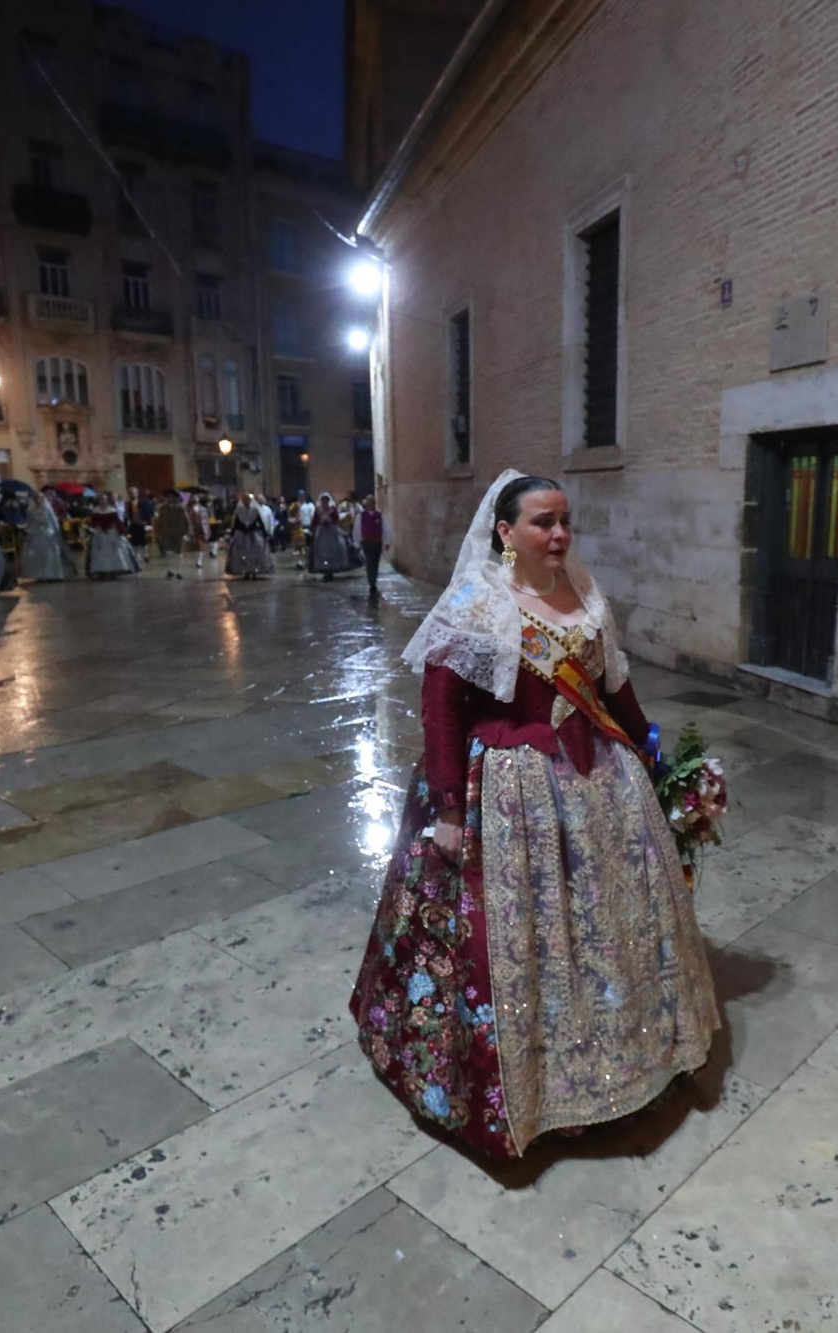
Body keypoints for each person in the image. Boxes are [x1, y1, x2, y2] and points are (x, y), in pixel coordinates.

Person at [349, 471, 716, 1158]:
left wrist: (657, 760)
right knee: (517, 933)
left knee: (605, 925)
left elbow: (617, 688)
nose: (559, 533)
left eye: (565, 520)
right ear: (504, 531)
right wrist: (451, 807)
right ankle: (523, 1084)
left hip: (596, 779)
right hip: (508, 790)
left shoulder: (582, 593)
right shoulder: (475, 602)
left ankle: (625, 1053)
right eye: (544, 521)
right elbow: (441, 709)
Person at [20, 487, 76, 581]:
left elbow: (53, 520)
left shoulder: (47, 508)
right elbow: (29, 522)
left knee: (51, 554)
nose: (38, 499)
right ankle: (41, 575)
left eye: (39, 497)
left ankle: (54, 575)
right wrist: (27, 529)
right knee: (38, 555)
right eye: (36, 497)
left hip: (48, 532)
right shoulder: (30, 509)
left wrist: (56, 532)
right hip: (36, 532)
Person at [86, 495, 141, 578]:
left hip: (111, 533)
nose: (103, 501)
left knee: (114, 552)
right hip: (99, 534)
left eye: (104, 499)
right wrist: (94, 528)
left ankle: (114, 571)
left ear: (107, 501)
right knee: (98, 552)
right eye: (101, 499)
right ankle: (101, 571)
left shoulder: (112, 510)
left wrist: (119, 531)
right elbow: (93, 523)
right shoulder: (95, 510)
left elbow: (117, 522)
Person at [225, 491, 274, 579]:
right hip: (241, 534)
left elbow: (260, 522)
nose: (246, 501)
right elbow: (235, 523)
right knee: (242, 554)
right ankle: (245, 572)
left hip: (253, 534)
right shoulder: (239, 510)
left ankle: (254, 571)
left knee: (254, 553)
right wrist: (231, 534)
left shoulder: (255, 510)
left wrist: (265, 533)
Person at [151, 489, 191, 578]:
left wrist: (186, 532)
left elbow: (186, 521)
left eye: (172, 497)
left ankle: (178, 571)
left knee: (178, 553)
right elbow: (158, 521)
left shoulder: (181, 508)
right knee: (169, 553)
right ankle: (170, 570)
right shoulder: (162, 508)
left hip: (178, 533)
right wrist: (159, 532)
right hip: (166, 533)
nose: (170, 499)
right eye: (168, 497)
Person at [308, 491, 349, 580]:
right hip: (322, 532)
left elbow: (337, 519)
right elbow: (315, 520)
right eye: (323, 500)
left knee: (332, 550)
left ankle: (331, 569)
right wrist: (313, 528)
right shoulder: (318, 510)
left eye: (326, 500)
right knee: (322, 550)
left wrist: (332, 523)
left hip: (331, 532)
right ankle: (324, 569)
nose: (324, 502)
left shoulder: (332, 509)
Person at [358, 492, 385, 595]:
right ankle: (371, 582)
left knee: (375, 561)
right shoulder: (361, 516)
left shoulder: (379, 515)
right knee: (369, 561)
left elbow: (385, 529)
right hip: (367, 541)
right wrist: (357, 542)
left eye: (372, 502)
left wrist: (386, 541)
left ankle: (373, 579)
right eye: (369, 502)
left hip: (377, 542)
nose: (371, 504)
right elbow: (357, 529)